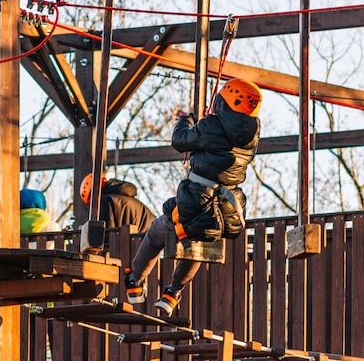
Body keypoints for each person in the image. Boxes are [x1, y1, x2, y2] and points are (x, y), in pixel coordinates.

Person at [123, 78, 263, 316]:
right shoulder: (252, 133)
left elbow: (179, 140)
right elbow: (218, 147)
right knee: (199, 239)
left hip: (199, 198)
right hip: (227, 206)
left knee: (159, 229)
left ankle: (135, 281)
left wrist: (185, 120)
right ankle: (172, 293)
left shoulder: (211, 125)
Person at [79, 173, 156, 233]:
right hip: (151, 240)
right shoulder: (126, 199)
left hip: (135, 244)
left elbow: (108, 232)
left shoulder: (106, 200)